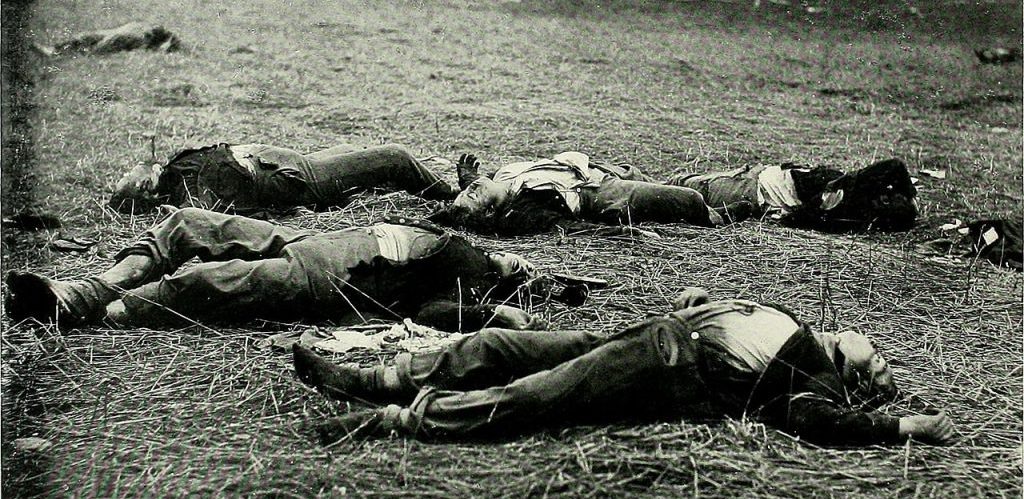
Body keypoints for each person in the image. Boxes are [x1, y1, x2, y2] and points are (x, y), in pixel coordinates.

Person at [295, 287, 956, 447]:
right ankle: (379, 374)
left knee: (535, 393)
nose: (882, 353)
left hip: (667, 364)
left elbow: (819, 421)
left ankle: (393, 418)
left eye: (882, 367)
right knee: (503, 347)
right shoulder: (802, 326)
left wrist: (900, 426)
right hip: (653, 332)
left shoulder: (813, 375)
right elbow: (734, 315)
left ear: (858, 379)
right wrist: (704, 297)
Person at [5, 208, 550, 331]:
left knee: (202, 283)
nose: (515, 259)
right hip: (312, 243)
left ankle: (81, 307)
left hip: (321, 281)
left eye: (518, 266)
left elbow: (433, 313)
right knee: (188, 223)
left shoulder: (465, 282)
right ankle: (90, 285)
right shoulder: (455, 241)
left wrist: (499, 313)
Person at [427, 152, 754, 236]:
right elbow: (571, 228)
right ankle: (718, 216)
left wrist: (468, 180)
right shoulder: (523, 210)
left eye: (466, 188)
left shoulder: (502, 176)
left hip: (597, 167)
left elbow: (473, 188)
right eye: (472, 194)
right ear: (488, 212)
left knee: (681, 180)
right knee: (688, 199)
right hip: (601, 191)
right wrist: (627, 235)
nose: (470, 188)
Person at [109, 143, 459, 215]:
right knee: (392, 157)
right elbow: (235, 214)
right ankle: (455, 195)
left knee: (360, 151)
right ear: (146, 189)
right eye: (130, 178)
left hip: (284, 161)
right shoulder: (192, 192)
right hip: (294, 176)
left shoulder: (175, 168)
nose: (133, 168)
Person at [666, 158, 918, 232]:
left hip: (748, 188)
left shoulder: (847, 193)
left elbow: (894, 166)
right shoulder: (851, 196)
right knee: (675, 186)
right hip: (752, 182)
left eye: (887, 200)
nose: (883, 196)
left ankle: (627, 176)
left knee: (674, 188)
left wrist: (909, 195)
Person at [34, 22, 181, 57]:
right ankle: (55, 50)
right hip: (114, 34)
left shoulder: (139, 37)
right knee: (85, 37)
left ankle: (58, 53)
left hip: (119, 38)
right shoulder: (141, 28)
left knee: (94, 48)